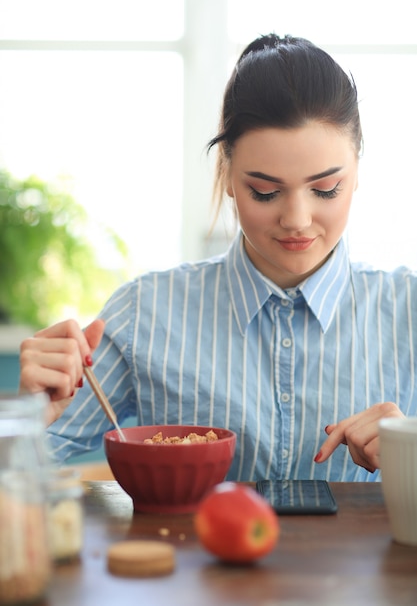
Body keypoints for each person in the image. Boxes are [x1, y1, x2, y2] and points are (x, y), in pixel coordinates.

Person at [19, 33, 414, 483]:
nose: (297, 220)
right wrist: (28, 419)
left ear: (357, 171)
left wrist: (411, 450)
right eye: (264, 191)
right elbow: (19, 475)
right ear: (226, 175)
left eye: (325, 189)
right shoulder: (145, 312)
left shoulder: (409, 310)